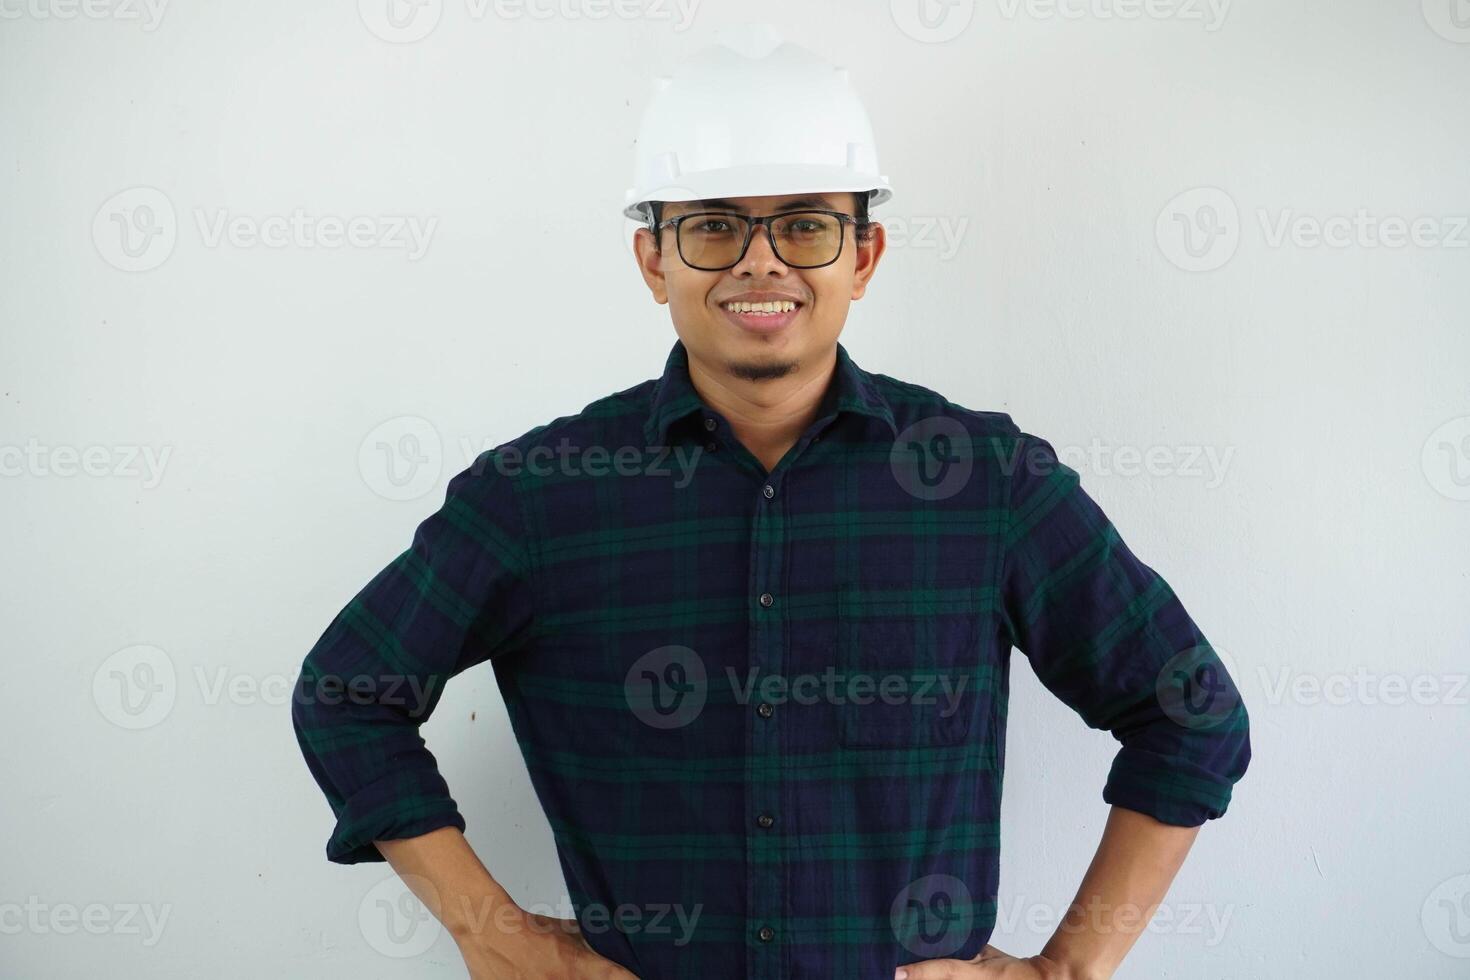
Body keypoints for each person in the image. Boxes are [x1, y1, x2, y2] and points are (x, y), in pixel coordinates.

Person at [291, 25, 1250, 980]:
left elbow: (1192, 715)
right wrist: (491, 937)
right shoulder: (542, 496)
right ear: (654, 261)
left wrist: (1068, 972)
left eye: (804, 223)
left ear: (862, 257)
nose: (761, 262)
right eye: (712, 225)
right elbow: (347, 697)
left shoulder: (986, 482)